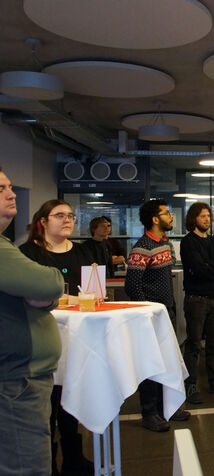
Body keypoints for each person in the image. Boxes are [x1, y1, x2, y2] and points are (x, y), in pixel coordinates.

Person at [20, 199, 94, 475]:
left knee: (71, 400)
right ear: (43, 221)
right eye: (59, 215)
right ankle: (48, 462)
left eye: (71, 216)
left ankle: (74, 458)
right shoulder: (28, 253)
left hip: (78, 338)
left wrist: (72, 298)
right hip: (42, 338)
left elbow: (92, 291)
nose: (67, 220)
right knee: (46, 404)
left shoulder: (83, 252)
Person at [0, 167, 64, 476]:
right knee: (26, 466)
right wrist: (49, 290)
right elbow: (50, 284)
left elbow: (44, 293)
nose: (12, 194)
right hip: (15, 382)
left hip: (18, 377)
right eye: (1, 189)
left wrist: (45, 295)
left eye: (10, 187)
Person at [125, 199, 190, 432]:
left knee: (166, 361)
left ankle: (167, 408)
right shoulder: (142, 247)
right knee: (151, 364)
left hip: (165, 312)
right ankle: (149, 412)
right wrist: (148, 311)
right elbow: (132, 285)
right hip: (150, 315)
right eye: (166, 213)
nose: (171, 217)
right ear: (155, 219)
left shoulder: (163, 243)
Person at [180, 202, 214, 404]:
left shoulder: (213, 241)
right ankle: (190, 383)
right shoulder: (188, 242)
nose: (206, 220)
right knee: (193, 344)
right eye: (202, 216)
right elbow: (197, 269)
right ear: (193, 218)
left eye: (208, 216)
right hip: (196, 300)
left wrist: (209, 265)